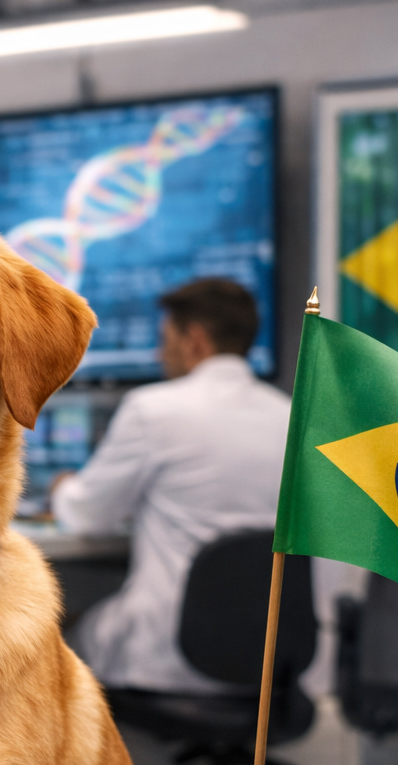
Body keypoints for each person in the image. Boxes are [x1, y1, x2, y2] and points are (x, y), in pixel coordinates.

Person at [51, 277, 291, 695]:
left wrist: (62, 490)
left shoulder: (153, 409)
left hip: (165, 657)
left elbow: (86, 517)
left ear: (194, 340)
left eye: (166, 340)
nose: (160, 354)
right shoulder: (290, 416)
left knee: (55, 635)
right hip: (273, 655)